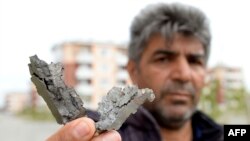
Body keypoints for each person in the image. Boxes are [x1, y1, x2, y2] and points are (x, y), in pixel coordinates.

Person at [47, 3, 223, 141]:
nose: (184, 75)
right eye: (163, 59)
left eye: (195, 61)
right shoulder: (99, 131)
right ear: (133, 70)